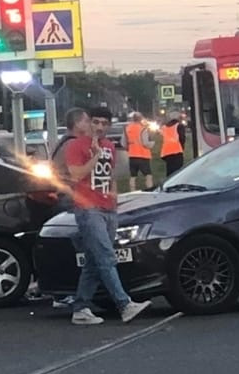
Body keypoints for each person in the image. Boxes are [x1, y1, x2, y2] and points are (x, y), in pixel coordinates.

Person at [60, 107, 151, 328]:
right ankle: (124, 304)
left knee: (93, 261)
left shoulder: (110, 146)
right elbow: (76, 175)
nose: (99, 127)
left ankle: (81, 308)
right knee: (106, 256)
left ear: (109, 126)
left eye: (104, 123)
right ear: (89, 123)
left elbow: (109, 176)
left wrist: (114, 201)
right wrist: (95, 156)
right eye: (95, 122)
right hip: (88, 209)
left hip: (107, 209)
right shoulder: (75, 145)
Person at [123, 112, 154, 192]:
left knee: (133, 176)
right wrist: (152, 144)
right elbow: (145, 143)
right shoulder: (143, 128)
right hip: (143, 156)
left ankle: (132, 191)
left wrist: (129, 148)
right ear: (141, 119)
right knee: (148, 175)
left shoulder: (127, 128)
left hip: (132, 155)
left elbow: (123, 143)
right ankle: (149, 190)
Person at [159, 111, 185, 180]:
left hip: (166, 152)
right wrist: (182, 147)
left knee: (169, 171)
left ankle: (169, 184)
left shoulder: (164, 127)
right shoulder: (179, 126)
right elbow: (182, 138)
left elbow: (162, 136)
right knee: (178, 171)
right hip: (177, 151)